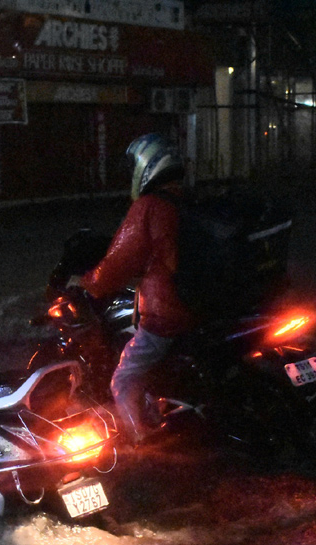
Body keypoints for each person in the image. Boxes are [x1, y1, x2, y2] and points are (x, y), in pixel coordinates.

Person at [80, 132, 195, 445]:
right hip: (199, 308)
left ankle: (141, 444)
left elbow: (119, 261)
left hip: (167, 315)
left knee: (124, 378)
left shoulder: (149, 207)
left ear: (147, 166)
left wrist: (90, 283)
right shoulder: (187, 201)